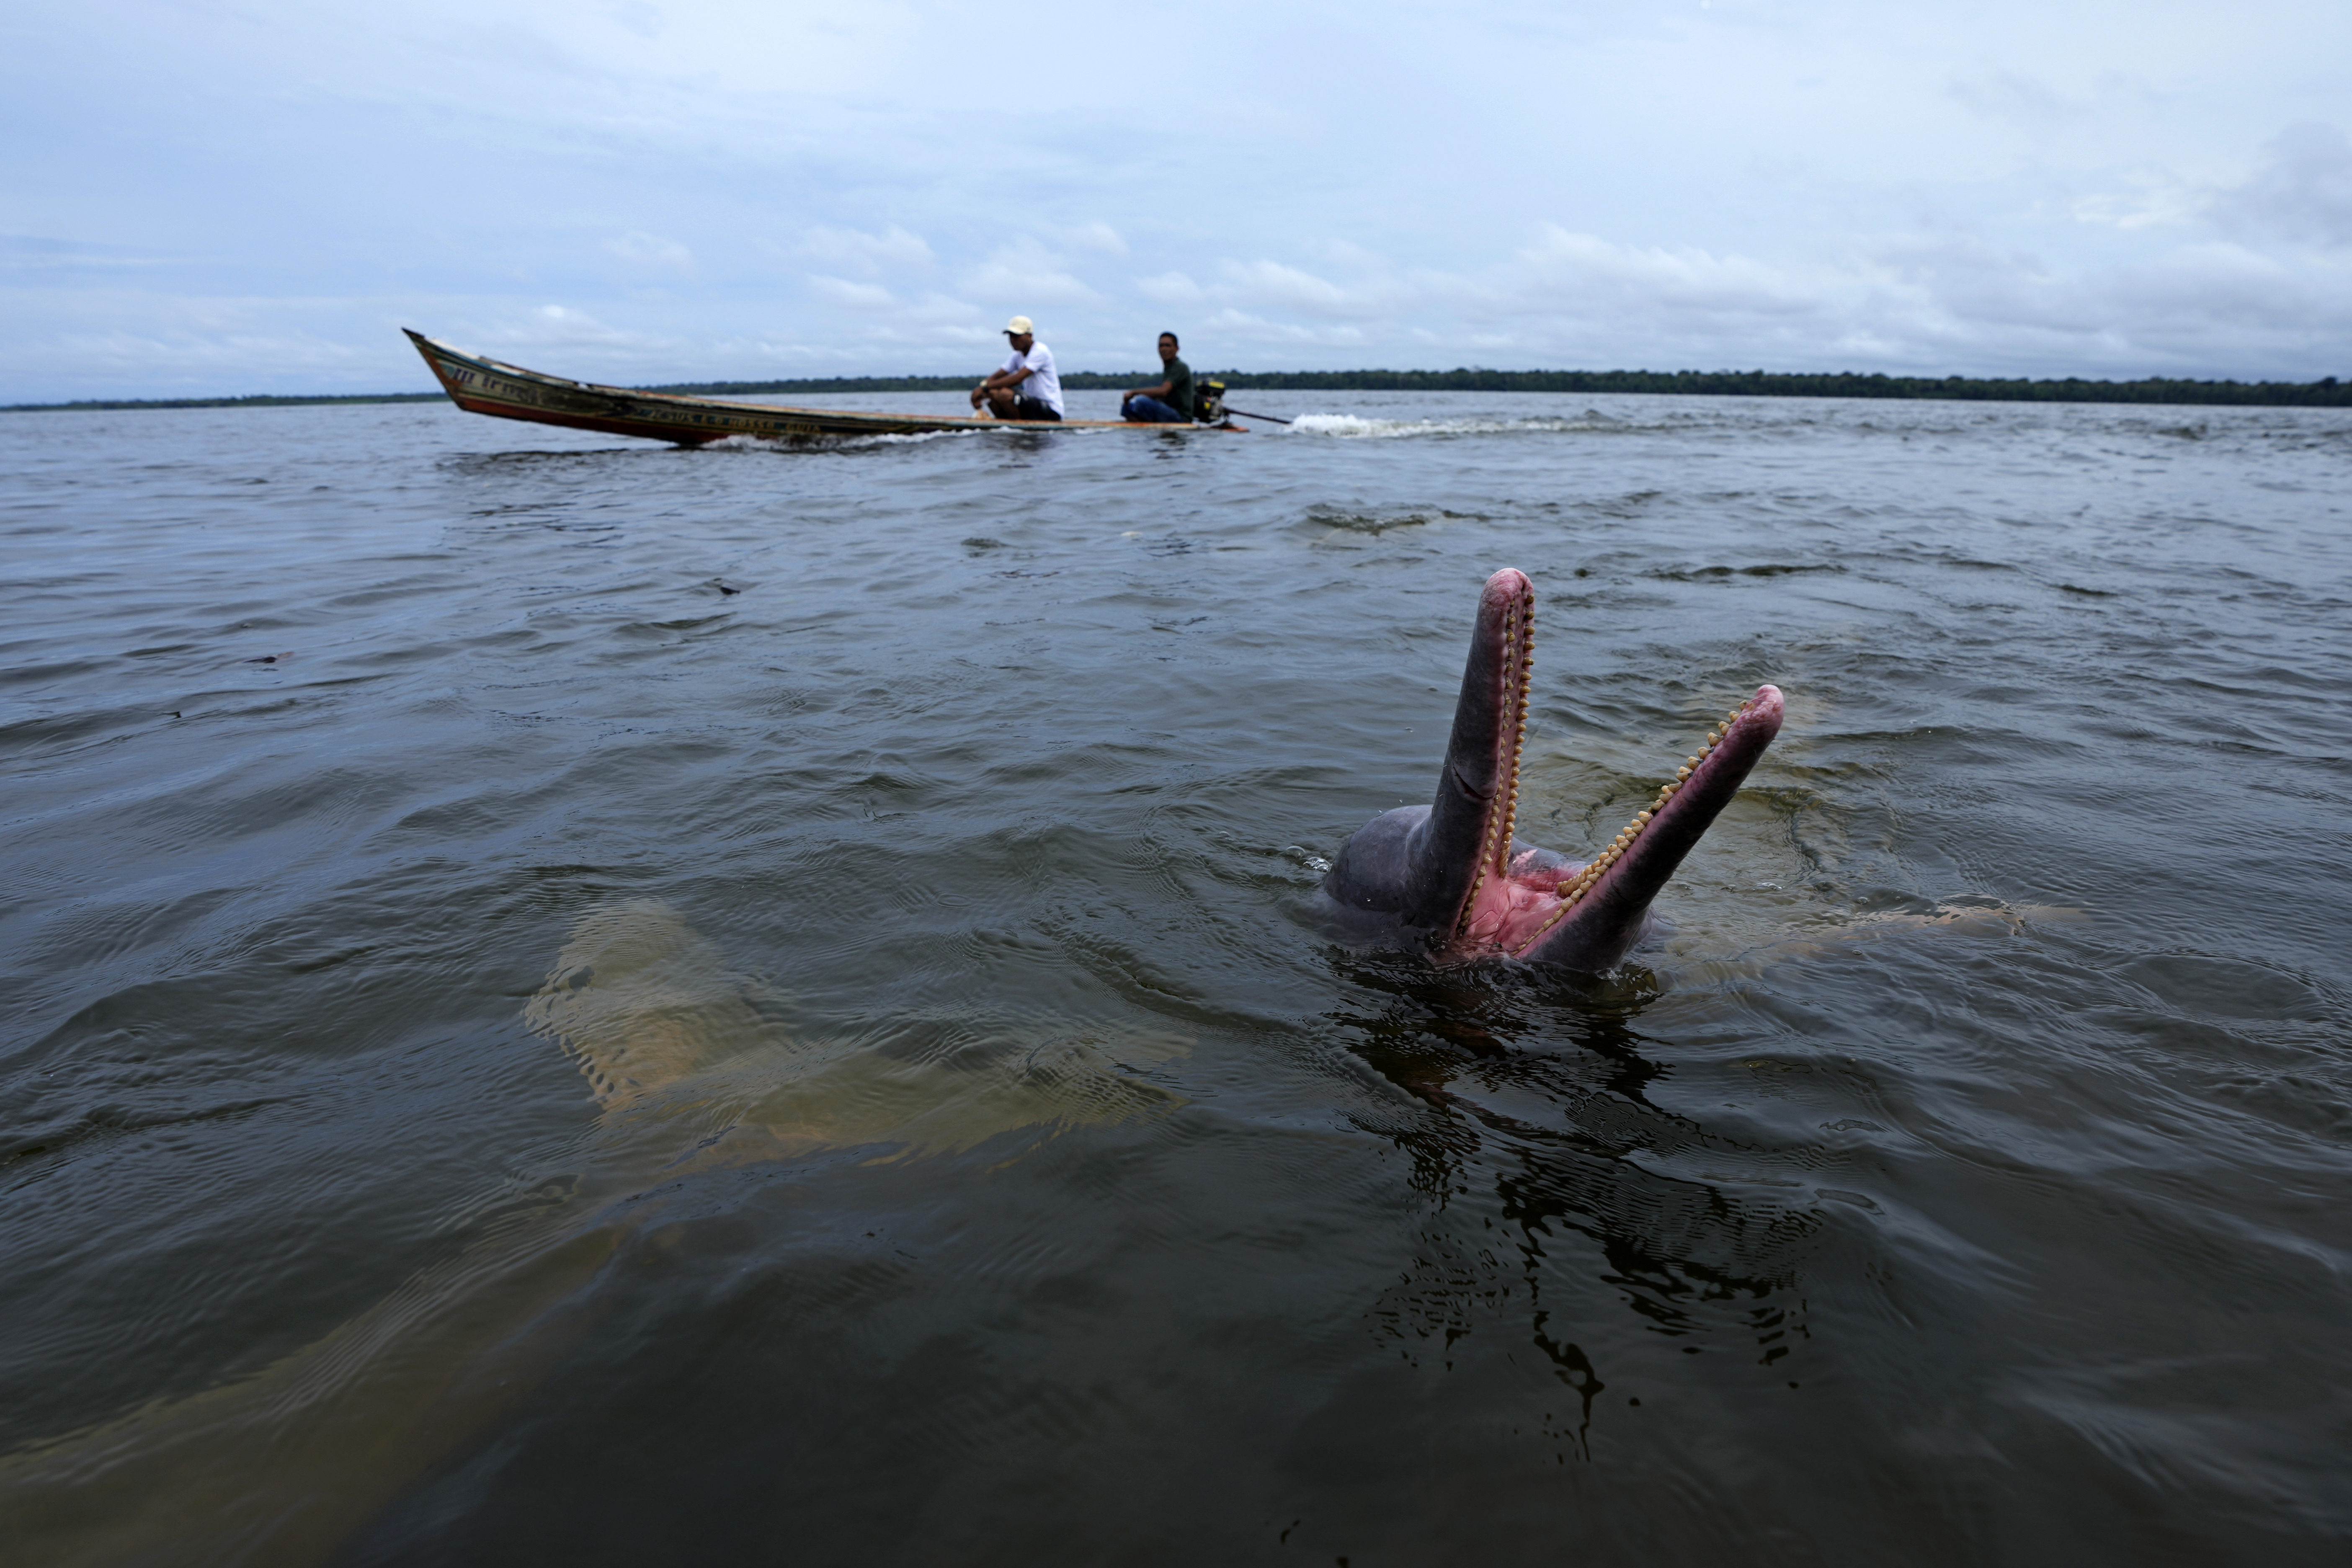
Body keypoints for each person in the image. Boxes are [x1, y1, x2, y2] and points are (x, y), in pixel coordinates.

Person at [971, 316, 1064, 422]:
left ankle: (1018, 429)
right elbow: (999, 375)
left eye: (1017, 336)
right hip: (1030, 406)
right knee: (991, 394)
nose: (1012, 340)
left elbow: (1018, 378)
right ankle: (1006, 426)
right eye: (1011, 336)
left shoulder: (1040, 351)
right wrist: (981, 389)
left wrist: (985, 387)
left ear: (1030, 336)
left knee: (1005, 395)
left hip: (1051, 411)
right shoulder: (1017, 355)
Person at [1121, 333, 1194, 423]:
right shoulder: (1168, 369)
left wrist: (1135, 392)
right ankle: (1144, 429)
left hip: (1181, 417)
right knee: (1127, 407)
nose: (1164, 349)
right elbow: (1162, 398)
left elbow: (1164, 391)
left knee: (1141, 401)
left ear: (1177, 349)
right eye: (1161, 346)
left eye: (1168, 346)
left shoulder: (1180, 367)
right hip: (1167, 411)